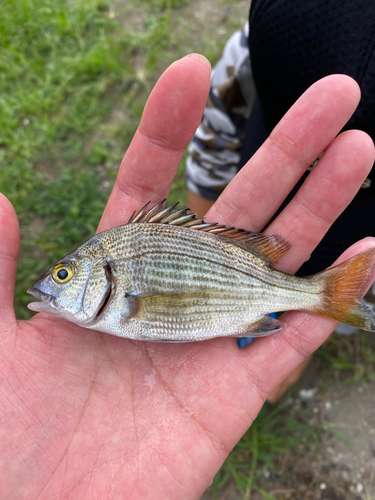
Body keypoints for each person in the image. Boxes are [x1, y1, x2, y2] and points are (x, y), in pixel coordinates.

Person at [1, 55, 374, 498]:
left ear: (104, 276)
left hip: (241, 289)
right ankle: (321, 299)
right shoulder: (116, 290)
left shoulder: (124, 291)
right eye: (62, 274)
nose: (52, 282)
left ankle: (322, 296)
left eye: (63, 274)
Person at [186, 0, 375, 401]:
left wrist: (310, 333)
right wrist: (195, 248)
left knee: (352, 292)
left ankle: (330, 322)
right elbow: (215, 139)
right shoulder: (264, 46)